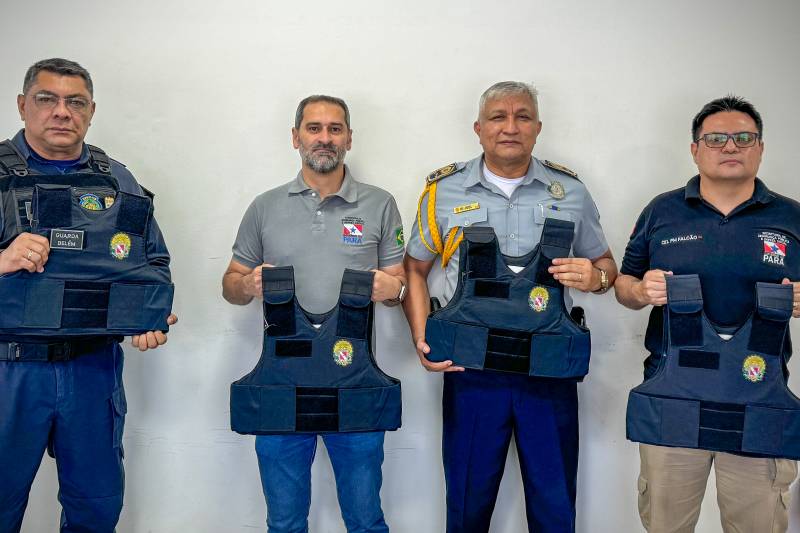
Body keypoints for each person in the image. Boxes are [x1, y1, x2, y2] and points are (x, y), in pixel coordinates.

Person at [403, 81, 617, 533]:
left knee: (555, 507)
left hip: (549, 371)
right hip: (472, 371)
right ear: (479, 128)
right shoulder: (444, 191)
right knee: (467, 504)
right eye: (498, 117)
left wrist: (596, 279)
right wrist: (422, 339)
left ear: (537, 127)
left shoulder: (570, 191)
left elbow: (606, 267)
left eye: (522, 117)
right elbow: (414, 269)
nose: (510, 127)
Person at [0, 58, 176, 533]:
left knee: (96, 509)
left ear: (91, 111)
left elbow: (152, 264)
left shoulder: (116, 180)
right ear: (22, 105)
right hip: (9, 371)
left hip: (92, 370)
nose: (62, 111)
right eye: (47, 99)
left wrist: (147, 317)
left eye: (75, 102)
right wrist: (3, 259)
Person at [222, 95, 406, 533]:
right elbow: (230, 284)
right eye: (314, 128)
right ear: (296, 137)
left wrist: (393, 290)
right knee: (284, 524)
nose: (325, 138)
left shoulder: (380, 204)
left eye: (335, 129)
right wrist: (246, 286)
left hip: (355, 384)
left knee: (365, 521)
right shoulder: (265, 206)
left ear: (349, 138)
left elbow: (400, 283)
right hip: (280, 387)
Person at [616, 95, 800, 533]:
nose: (730, 146)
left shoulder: (791, 218)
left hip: (759, 402)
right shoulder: (662, 211)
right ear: (695, 149)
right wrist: (640, 290)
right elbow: (624, 285)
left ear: (760, 148)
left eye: (744, 138)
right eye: (716, 138)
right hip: (674, 402)